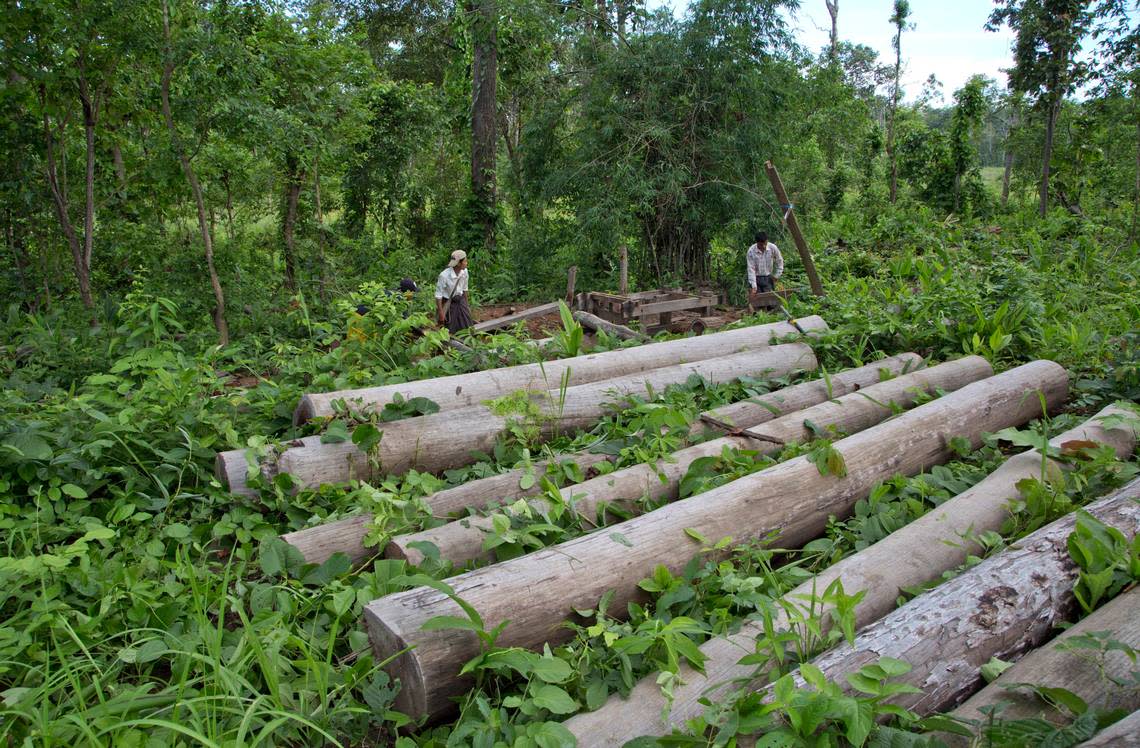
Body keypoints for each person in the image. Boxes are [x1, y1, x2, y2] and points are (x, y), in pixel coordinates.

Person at [435, 250, 473, 333]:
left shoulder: (464, 272)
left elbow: (465, 289)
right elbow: (438, 296)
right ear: (459, 263)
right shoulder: (444, 275)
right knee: (449, 328)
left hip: (460, 301)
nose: (466, 263)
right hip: (449, 304)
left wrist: (467, 305)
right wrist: (441, 313)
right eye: (465, 261)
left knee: (466, 324)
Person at [746, 231, 784, 307]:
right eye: (761, 244)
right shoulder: (751, 251)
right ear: (757, 243)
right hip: (756, 278)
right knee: (758, 303)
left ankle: (772, 316)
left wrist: (777, 275)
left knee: (771, 302)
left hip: (768, 278)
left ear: (767, 241)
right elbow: (751, 269)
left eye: (765, 243)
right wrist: (753, 286)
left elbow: (779, 261)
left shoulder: (772, 248)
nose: (763, 246)